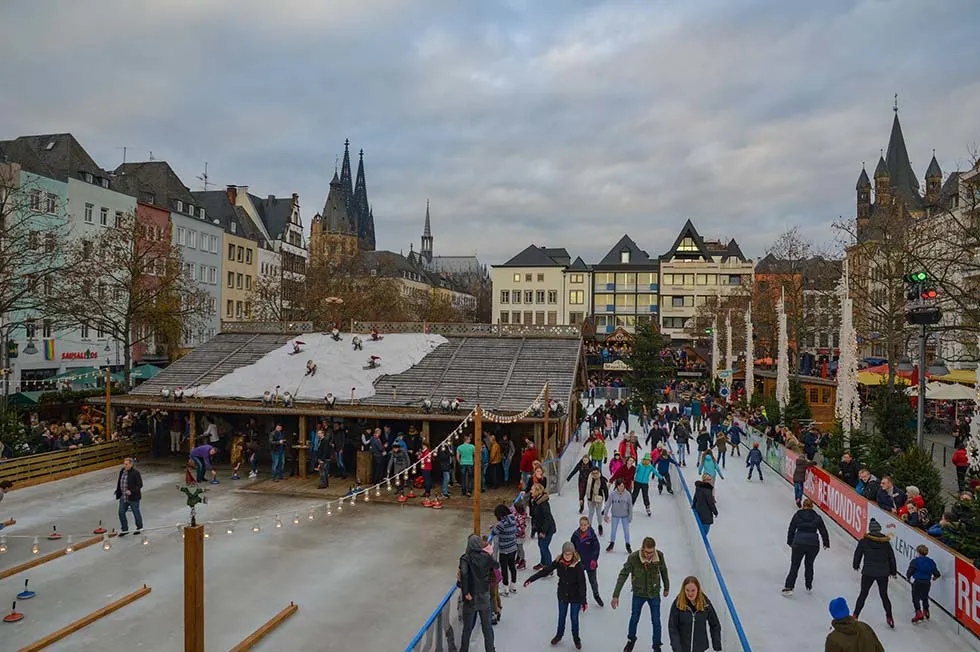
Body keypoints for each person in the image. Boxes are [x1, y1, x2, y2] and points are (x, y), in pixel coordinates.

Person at [524, 541, 588, 649]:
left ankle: (576, 638)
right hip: (563, 594)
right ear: (562, 553)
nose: (568, 556)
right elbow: (545, 571)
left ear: (573, 554)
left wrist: (584, 601)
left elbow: (582, 584)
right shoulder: (559, 562)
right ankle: (559, 635)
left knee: (574, 618)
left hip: (575, 597)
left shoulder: (578, 566)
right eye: (566, 554)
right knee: (562, 616)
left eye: (570, 554)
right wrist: (531, 579)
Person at [612, 536, 670, 652]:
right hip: (639, 593)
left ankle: (657, 645)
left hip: (654, 593)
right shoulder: (633, 558)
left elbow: (664, 570)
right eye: (647, 552)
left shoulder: (659, 556)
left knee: (656, 620)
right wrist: (616, 595)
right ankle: (631, 640)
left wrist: (666, 587)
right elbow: (623, 575)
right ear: (642, 549)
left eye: (652, 552)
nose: (649, 555)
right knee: (634, 618)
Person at [852, 518, 897, 628]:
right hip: (883, 573)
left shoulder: (864, 541)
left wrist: (856, 565)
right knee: (884, 595)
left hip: (868, 572)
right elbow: (892, 558)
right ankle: (889, 617)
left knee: (863, 593)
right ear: (879, 529)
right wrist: (893, 571)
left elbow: (858, 554)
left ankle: (855, 615)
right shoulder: (886, 543)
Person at [458, 534, 498, 652]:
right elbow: (496, 565)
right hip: (484, 595)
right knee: (487, 627)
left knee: (467, 629)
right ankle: (490, 649)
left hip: (471, 597)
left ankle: (464, 650)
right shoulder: (486, 556)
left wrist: (466, 592)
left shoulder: (465, 558)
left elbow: (464, 574)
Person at [782, 498, 830, 595]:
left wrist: (790, 542)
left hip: (798, 543)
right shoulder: (817, 517)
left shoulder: (797, 515)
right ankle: (808, 584)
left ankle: (789, 587)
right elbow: (823, 531)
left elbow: (791, 529)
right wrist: (826, 543)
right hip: (813, 544)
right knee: (809, 564)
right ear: (812, 507)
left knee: (795, 565)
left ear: (803, 506)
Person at [667, 576, 721, 652]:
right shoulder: (678, 604)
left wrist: (716, 646)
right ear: (684, 590)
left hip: (700, 648)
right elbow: (672, 627)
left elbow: (715, 624)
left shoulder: (705, 604)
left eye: (693, 590)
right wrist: (676, 648)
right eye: (687, 590)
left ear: (698, 590)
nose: (690, 593)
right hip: (682, 648)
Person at [571, 516, 603, 606]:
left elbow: (596, 548)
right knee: (580, 582)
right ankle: (581, 599)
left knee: (593, 581)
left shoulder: (592, 536)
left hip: (590, 562)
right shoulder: (576, 535)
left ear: (588, 525)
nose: (583, 526)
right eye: (581, 525)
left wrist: (594, 560)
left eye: (585, 525)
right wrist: (574, 557)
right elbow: (572, 546)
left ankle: (596, 595)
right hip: (580, 562)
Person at [906, 544, 941, 623]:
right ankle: (926, 610)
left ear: (918, 552)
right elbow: (937, 573)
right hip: (927, 582)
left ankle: (918, 612)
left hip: (918, 581)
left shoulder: (915, 561)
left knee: (915, 597)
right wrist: (935, 577)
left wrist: (908, 576)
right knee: (925, 596)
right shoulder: (931, 562)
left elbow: (910, 571)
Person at [491, 504, 519, 596]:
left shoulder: (501, 524)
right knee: (512, 566)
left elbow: (494, 531)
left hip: (504, 550)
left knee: (504, 568)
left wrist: (494, 526)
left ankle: (505, 587)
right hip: (513, 548)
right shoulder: (513, 519)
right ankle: (513, 585)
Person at [529, 483, 557, 570]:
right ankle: (543, 563)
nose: (531, 491)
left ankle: (549, 568)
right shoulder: (535, 501)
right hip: (540, 528)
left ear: (537, 491)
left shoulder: (543, 504)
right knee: (541, 545)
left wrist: (543, 532)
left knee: (544, 547)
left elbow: (547, 519)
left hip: (547, 529)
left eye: (532, 490)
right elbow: (534, 515)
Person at [114, 457, 144, 536]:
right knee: (121, 513)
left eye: (126, 464)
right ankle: (124, 529)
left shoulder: (135, 473)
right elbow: (120, 482)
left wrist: (131, 491)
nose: (125, 465)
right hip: (123, 497)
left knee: (136, 512)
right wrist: (118, 491)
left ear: (131, 464)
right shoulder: (122, 471)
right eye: (124, 464)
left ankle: (140, 528)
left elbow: (140, 485)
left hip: (133, 498)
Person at [604, 478, 633, 553]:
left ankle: (628, 544)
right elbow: (608, 504)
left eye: (622, 486)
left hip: (625, 516)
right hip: (615, 515)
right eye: (619, 486)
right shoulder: (613, 494)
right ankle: (612, 543)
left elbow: (630, 506)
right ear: (617, 486)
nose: (621, 488)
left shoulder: (627, 494)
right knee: (613, 531)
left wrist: (630, 516)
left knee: (626, 531)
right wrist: (605, 514)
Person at [584, 467, 609, 536]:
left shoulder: (602, 479)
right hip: (590, 498)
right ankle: (589, 527)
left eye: (596, 473)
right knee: (591, 513)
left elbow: (605, 490)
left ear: (599, 472)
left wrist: (607, 499)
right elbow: (585, 487)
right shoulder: (589, 478)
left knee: (598, 513)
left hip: (598, 499)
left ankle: (600, 526)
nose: (595, 475)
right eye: (593, 473)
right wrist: (581, 498)